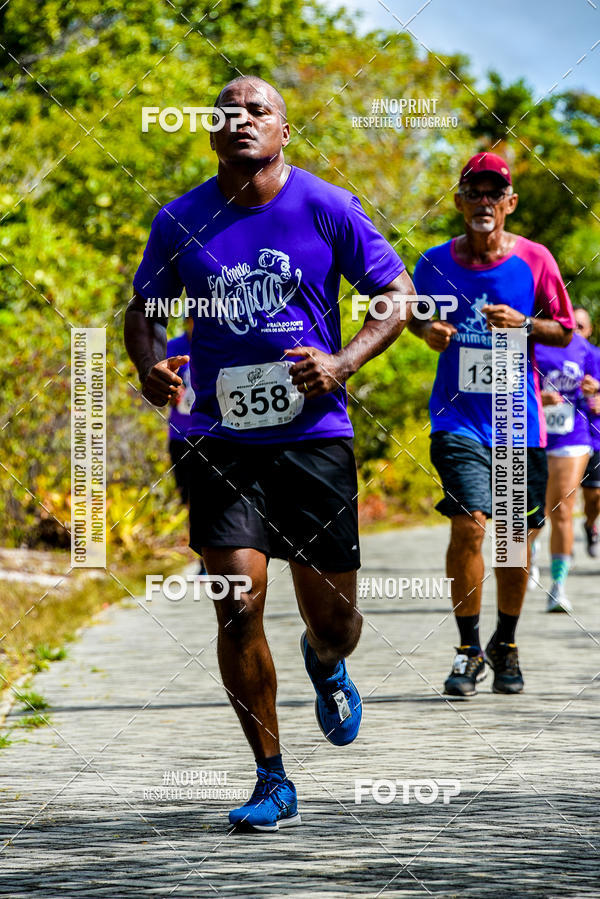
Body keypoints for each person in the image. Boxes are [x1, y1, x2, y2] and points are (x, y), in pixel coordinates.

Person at [124, 75, 415, 831]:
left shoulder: (326, 205)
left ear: (284, 132)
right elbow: (144, 312)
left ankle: (326, 663)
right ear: (211, 132)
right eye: (229, 110)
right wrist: (149, 362)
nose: (243, 118)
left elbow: (397, 293)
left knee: (336, 621)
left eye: (260, 109)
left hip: (313, 436)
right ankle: (271, 777)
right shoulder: (181, 218)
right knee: (236, 601)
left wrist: (342, 362)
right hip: (217, 439)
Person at [410, 151, 574, 697]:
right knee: (469, 526)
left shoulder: (534, 258)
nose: (484, 203)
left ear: (510, 203)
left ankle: (505, 643)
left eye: (493, 194)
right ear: (458, 202)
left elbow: (565, 331)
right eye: (473, 193)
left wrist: (526, 323)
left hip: (517, 422)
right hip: (457, 418)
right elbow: (414, 315)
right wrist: (427, 331)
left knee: (512, 540)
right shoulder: (435, 261)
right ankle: (466, 649)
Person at [535, 324, 598, 611]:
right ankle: (528, 555)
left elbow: (597, 391)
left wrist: (594, 391)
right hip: (528, 434)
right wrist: (537, 398)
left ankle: (558, 587)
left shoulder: (583, 348)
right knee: (526, 510)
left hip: (572, 437)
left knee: (561, 508)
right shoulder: (525, 339)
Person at [574, 307, 600, 556]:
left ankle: (590, 523)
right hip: (564, 437)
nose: (575, 331)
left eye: (580, 326)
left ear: (590, 330)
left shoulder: (597, 356)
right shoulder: (553, 356)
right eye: (571, 326)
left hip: (596, 436)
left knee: (595, 496)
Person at [166, 316, 195, 506]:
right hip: (180, 437)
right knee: (187, 499)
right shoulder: (172, 347)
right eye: (192, 319)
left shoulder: (219, 345)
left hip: (211, 435)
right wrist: (171, 392)